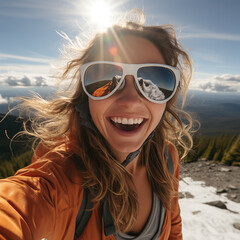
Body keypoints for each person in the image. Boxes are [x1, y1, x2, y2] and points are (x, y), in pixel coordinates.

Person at [0, 11, 193, 240]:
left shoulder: (167, 158)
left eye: (155, 78)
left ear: (167, 100)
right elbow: (16, 205)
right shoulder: (64, 175)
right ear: (86, 97)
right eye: (109, 75)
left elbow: (173, 226)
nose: (130, 101)